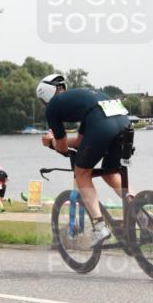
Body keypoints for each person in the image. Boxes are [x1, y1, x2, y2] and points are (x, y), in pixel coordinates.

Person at [36, 73, 131, 244]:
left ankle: (99, 226)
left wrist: (51, 143)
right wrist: (57, 143)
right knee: (111, 172)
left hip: (102, 125)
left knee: (82, 173)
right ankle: (139, 210)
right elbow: (80, 141)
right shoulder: (84, 98)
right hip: (124, 122)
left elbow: (63, 147)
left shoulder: (52, 107)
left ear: (45, 95)